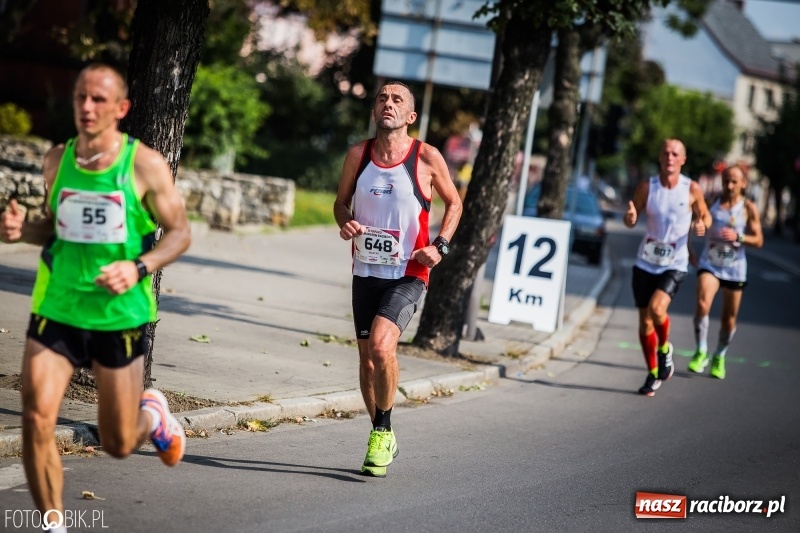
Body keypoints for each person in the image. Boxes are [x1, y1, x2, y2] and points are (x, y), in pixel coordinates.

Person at [0, 63, 191, 531]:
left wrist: (138, 267)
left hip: (116, 314)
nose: (87, 106)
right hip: (58, 306)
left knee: (117, 441)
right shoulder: (56, 160)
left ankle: (153, 415)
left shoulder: (144, 165)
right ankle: (54, 524)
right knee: (36, 417)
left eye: (98, 99)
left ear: (121, 108)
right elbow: (54, 228)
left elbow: (180, 234)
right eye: (80, 97)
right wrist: (22, 230)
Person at [334, 81, 462, 477]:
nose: (387, 103)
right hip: (365, 270)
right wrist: (345, 222)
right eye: (382, 98)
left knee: (380, 346)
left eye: (397, 100)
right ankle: (382, 432)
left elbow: (454, 203)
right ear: (374, 111)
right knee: (367, 362)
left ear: (410, 116)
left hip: (408, 272)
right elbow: (340, 203)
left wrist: (440, 246)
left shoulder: (426, 156)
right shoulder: (358, 155)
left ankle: (382, 430)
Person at [624, 138, 711, 397]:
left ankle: (664, 349)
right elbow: (631, 217)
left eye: (675, 154)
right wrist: (629, 218)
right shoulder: (647, 187)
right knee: (644, 324)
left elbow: (705, 215)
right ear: (660, 158)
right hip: (645, 262)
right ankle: (653, 374)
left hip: (674, 263)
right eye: (666, 153)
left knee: (657, 309)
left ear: (683, 160)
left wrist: (702, 224)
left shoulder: (691, 188)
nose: (670, 157)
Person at [688, 164, 763, 379]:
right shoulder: (712, 201)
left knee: (729, 319)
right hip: (710, 263)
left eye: (734, 182)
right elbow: (694, 221)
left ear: (743, 184)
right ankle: (701, 350)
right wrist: (690, 245)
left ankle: (719, 355)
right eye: (726, 181)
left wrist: (739, 237)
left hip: (735, 268)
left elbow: (758, 240)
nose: (729, 186)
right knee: (703, 303)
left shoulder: (748, 208)